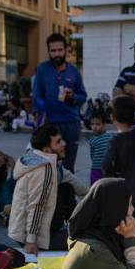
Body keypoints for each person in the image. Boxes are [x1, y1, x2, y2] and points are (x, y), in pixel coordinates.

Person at [8, 124, 88, 254]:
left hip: (39, 228)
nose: (64, 144)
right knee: (87, 241)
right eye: (58, 142)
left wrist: (100, 200)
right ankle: (71, 234)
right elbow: (36, 206)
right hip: (27, 235)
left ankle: (72, 229)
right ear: (47, 149)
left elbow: (80, 187)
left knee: (67, 187)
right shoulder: (43, 169)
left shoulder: (52, 164)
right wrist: (31, 241)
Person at [33, 33, 87, 172]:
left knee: (68, 166)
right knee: (49, 165)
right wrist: (40, 110)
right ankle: (51, 193)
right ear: (49, 51)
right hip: (50, 123)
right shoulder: (42, 69)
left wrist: (73, 96)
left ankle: (68, 193)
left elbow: (83, 95)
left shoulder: (74, 72)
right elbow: (37, 95)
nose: (57, 54)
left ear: (65, 50)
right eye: (53, 51)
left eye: (60, 50)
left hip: (71, 123)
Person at [103, 96, 135, 247]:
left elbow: (106, 165)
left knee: (124, 229)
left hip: (124, 194)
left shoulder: (115, 141)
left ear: (113, 117)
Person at [87, 114, 112, 184]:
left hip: (107, 169)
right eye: (92, 124)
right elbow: (92, 155)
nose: (94, 127)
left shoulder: (109, 137)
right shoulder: (92, 140)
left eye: (98, 124)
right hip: (95, 169)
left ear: (104, 125)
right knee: (95, 188)